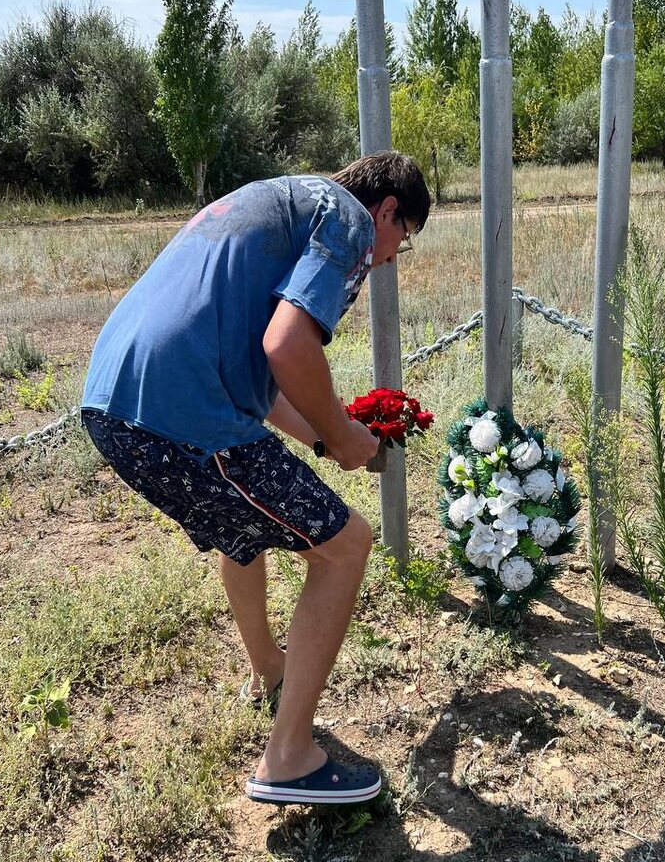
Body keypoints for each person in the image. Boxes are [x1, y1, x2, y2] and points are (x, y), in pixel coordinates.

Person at [81, 152, 430, 806]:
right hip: (177, 413)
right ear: (387, 210)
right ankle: (290, 758)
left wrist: (332, 441)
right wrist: (350, 436)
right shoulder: (349, 219)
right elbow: (288, 346)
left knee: (244, 529)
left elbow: (262, 389)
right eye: (400, 242)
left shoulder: (279, 198)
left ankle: (268, 672)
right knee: (346, 546)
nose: (386, 260)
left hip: (112, 404)